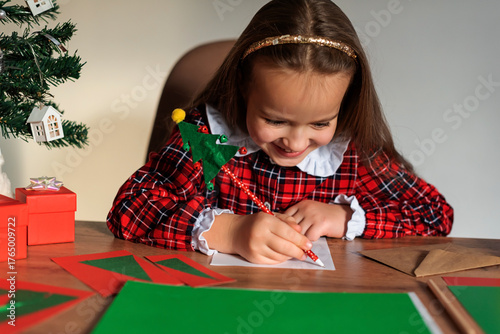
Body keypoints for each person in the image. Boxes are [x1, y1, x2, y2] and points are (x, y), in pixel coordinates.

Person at [107, 0, 453, 265]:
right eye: (275, 121)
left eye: (320, 123)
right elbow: (129, 209)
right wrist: (229, 232)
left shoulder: (352, 151)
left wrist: (344, 217)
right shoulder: (206, 137)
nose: (296, 142)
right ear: (244, 86)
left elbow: (435, 214)